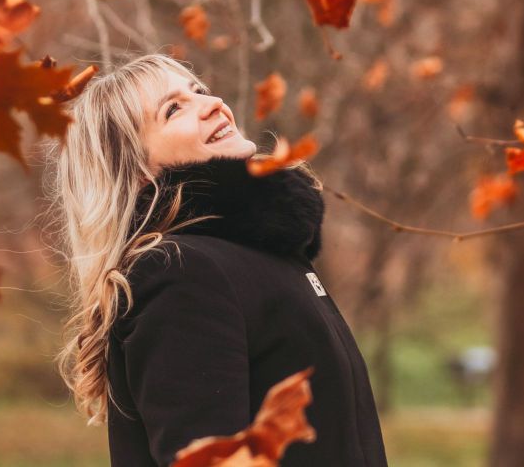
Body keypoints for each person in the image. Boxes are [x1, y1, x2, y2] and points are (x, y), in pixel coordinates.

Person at [45, 53, 389, 466]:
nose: (212, 103)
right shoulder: (180, 273)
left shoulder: (266, 255)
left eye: (199, 91)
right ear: (136, 170)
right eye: (173, 109)